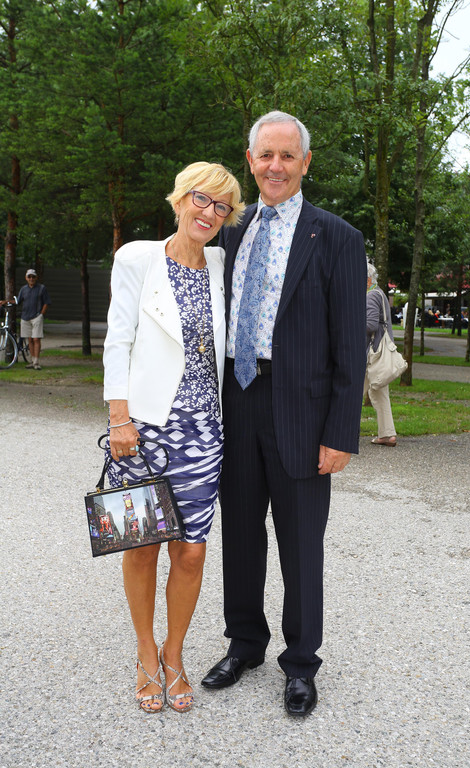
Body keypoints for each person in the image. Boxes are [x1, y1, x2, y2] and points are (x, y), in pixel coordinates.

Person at [201, 111, 367, 716]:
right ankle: (245, 644)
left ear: (305, 163)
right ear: (250, 161)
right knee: (241, 536)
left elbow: (350, 344)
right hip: (237, 399)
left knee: (301, 545)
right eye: (265, 155)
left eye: (287, 156)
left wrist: (340, 432)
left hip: (303, 411)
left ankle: (300, 664)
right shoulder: (231, 232)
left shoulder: (338, 238)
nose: (276, 166)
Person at [102, 162, 244, 714]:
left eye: (221, 206)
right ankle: (145, 653)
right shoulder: (137, 257)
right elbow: (118, 340)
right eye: (201, 199)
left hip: (204, 430)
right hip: (141, 429)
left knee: (190, 552)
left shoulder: (221, 265)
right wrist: (119, 417)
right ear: (180, 199)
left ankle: (175, 653)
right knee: (141, 548)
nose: (209, 212)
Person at [364, 263, 397, 447]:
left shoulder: (370, 296)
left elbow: (370, 325)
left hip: (371, 353)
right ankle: (387, 434)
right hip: (379, 352)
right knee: (379, 392)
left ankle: (344, 434)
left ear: (368, 279)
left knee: (351, 393)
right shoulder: (380, 293)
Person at [1, 269, 51, 369]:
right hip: (25, 317)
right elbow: (18, 301)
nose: (31, 278)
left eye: (33, 277)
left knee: (36, 338)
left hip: (36, 316)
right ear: (26, 278)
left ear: (36, 277)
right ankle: (32, 361)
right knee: (30, 339)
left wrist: (41, 314)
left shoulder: (42, 288)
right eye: (29, 277)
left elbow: (47, 302)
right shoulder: (23, 289)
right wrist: (6, 302)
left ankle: (36, 362)